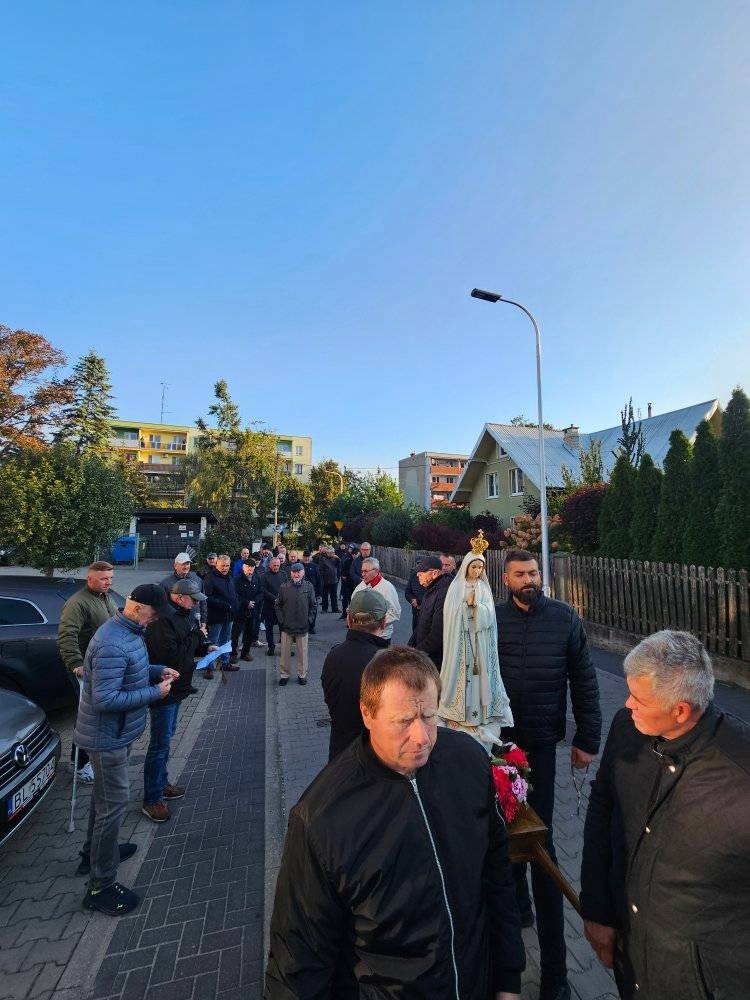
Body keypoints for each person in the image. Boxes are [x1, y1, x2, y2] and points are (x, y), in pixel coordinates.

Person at [265, 646, 525, 998]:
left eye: (429, 716)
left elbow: (496, 876)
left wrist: (508, 978)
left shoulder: (467, 760)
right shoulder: (321, 819)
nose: (422, 737)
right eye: (403, 721)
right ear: (367, 713)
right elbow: (298, 961)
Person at [581, 630, 750, 1000]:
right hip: (632, 961)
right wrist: (596, 908)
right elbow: (602, 805)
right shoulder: (627, 728)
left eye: (639, 699)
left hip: (701, 983)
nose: (627, 704)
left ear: (681, 710)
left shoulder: (739, 771)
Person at [497, 548, 602, 1000]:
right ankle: (519, 908)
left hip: (541, 745)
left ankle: (556, 972)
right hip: (500, 747)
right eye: (521, 574)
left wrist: (588, 738)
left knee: (541, 844)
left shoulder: (563, 618)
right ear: (506, 579)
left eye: (534, 572)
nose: (530, 579)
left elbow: (585, 679)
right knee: (505, 832)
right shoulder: (491, 619)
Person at [74, 584, 178, 915]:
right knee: (113, 805)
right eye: (153, 614)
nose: (155, 620)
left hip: (117, 734)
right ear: (136, 608)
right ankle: (100, 886)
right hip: (106, 738)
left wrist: (156, 671)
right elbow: (105, 699)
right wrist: (155, 692)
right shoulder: (111, 643)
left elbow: (129, 672)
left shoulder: (129, 632)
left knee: (103, 800)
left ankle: (94, 852)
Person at [142, 579, 213, 823]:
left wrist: (204, 647)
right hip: (165, 690)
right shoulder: (164, 621)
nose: (196, 604)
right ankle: (152, 798)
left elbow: (186, 646)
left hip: (178, 688)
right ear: (179, 597)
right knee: (159, 744)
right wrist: (197, 637)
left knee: (167, 739)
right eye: (193, 600)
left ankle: (161, 784)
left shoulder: (183, 616)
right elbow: (171, 656)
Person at [439, 533, 513, 750]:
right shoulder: (456, 587)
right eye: (474, 567)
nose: (477, 571)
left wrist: (477, 608)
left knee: (480, 678)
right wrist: (465, 608)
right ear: (466, 567)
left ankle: (480, 712)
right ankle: (458, 713)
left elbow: (490, 615)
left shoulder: (483, 588)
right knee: (461, 677)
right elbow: (451, 615)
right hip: (461, 642)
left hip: (480, 642)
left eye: (481, 568)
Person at [57, 561, 118, 784]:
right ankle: (79, 764)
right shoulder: (78, 602)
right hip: (84, 669)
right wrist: (76, 663)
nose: (108, 583)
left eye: (110, 578)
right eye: (104, 579)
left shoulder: (105, 597)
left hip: (102, 666)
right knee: (86, 719)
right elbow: (67, 635)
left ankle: (90, 758)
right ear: (90, 579)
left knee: (96, 716)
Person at [321, 589, 389, 759]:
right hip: (375, 756)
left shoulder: (332, 656)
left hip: (339, 754)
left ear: (349, 620)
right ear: (383, 622)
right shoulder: (387, 664)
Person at [275, 562, 316, 686]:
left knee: (303, 653)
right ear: (291, 573)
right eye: (294, 572)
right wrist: (281, 621)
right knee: (285, 653)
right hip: (287, 626)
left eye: (298, 572)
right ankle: (284, 675)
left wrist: (309, 620)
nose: (296, 574)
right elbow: (278, 605)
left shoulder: (309, 587)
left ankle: (302, 675)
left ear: (303, 573)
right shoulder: (284, 587)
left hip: (303, 626)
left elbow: (313, 606)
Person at [408, 555, 452, 666]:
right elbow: (422, 624)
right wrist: (410, 647)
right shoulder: (432, 588)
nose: (417, 575)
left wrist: (416, 654)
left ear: (435, 573)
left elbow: (437, 635)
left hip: (434, 661)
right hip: (425, 656)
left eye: (421, 573)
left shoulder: (443, 594)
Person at [202, 554, 238, 674]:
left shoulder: (229, 577)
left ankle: (225, 662)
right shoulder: (210, 578)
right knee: (213, 641)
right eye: (222, 565)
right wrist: (224, 605)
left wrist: (235, 605)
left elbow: (233, 593)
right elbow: (207, 597)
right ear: (217, 564)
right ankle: (209, 667)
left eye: (227, 565)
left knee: (226, 640)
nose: (225, 568)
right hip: (216, 616)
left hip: (229, 615)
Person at [351, 557, 401, 642]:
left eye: (365, 571)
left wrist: (371, 624)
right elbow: (353, 605)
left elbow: (395, 613)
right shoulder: (361, 586)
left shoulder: (388, 588)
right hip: (361, 635)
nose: (362, 574)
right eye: (362, 571)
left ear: (376, 571)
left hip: (380, 637)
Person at [159, 553, 207, 630]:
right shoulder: (166, 584)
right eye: (183, 564)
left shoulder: (197, 580)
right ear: (175, 566)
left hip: (195, 623)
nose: (186, 566)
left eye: (188, 564)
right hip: (176, 625)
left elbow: (203, 602)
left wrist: (203, 620)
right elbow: (162, 606)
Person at [232, 559, 260, 661]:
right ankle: (233, 654)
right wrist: (246, 603)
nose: (250, 571)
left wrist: (254, 602)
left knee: (250, 633)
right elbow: (235, 595)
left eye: (252, 569)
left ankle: (245, 653)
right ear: (243, 567)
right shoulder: (237, 579)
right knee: (236, 634)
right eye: (248, 569)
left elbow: (260, 592)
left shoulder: (256, 578)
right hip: (240, 611)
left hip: (252, 610)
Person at [261, 557, 285, 656]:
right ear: (270, 565)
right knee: (269, 628)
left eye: (277, 565)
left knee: (283, 629)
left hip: (282, 606)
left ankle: (285, 649)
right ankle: (271, 647)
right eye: (274, 565)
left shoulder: (283, 574)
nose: (276, 567)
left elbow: (287, 587)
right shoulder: (264, 576)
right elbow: (263, 589)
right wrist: (274, 599)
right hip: (269, 606)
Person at [300, 551, 322, 634]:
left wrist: (319, 593)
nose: (306, 558)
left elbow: (319, 579)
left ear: (311, 557)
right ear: (303, 557)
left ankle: (312, 626)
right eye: (305, 557)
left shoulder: (315, 566)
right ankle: (303, 626)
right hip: (301, 592)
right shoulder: (300, 566)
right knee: (302, 610)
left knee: (313, 610)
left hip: (313, 592)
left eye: (308, 557)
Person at [404, 563, 425, 634]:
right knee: (415, 634)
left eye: (421, 564)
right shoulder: (413, 575)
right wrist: (412, 600)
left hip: (428, 614)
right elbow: (408, 592)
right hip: (416, 613)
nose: (419, 566)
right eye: (418, 564)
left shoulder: (432, 577)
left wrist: (419, 601)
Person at [318, 546, 339, 614]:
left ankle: (335, 608)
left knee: (334, 595)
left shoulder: (335, 559)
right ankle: (324, 609)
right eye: (330, 552)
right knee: (325, 595)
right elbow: (320, 570)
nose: (331, 553)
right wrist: (322, 579)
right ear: (327, 552)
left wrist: (338, 559)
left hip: (334, 580)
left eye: (332, 552)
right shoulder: (323, 559)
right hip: (325, 580)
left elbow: (340, 565)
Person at [337, 543, 356, 619]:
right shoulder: (345, 556)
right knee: (344, 598)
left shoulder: (355, 558)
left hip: (352, 582)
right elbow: (342, 566)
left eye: (352, 548)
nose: (350, 549)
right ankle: (344, 614)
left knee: (352, 598)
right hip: (345, 581)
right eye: (349, 548)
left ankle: (352, 615)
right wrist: (342, 575)